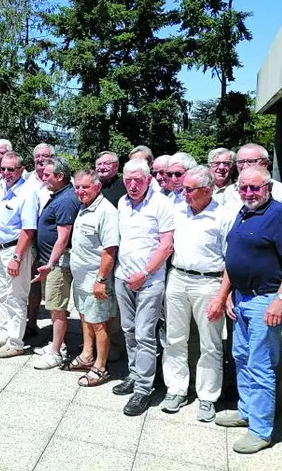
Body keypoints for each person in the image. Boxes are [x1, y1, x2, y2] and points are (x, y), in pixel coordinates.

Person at [207, 166, 282, 454]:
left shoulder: (280, 215)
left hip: (266, 299)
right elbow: (233, 258)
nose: (248, 193)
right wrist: (227, 293)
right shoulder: (244, 211)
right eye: (244, 188)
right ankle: (246, 411)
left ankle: (261, 429)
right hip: (242, 298)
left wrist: (281, 299)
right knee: (241, 356)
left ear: (268, 188)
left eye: (255, 188)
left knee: (261, 364)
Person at [161, 166, 233, 422]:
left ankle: (207, 396)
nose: (183, 194)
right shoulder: (177, 210)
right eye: (183, 189)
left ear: (206, 190)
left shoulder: (223, 216)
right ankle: (176, 389)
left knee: (210, 344)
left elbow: (231, 260)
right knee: (175, 338)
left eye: (188, 190)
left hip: (209, 283)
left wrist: (223, 295)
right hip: (178, 278)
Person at [113, 158, 174, 416]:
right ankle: (135, 373)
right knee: (128, 330)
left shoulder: (161, 203)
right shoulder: (122, 203)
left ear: (149, 179)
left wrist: (145, 272)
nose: (133, 185)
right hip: (123, 277)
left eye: (138, 179)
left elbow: (167, 245)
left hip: (149, 280)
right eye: (128, 180)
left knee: (144, 334)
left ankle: (144, 389)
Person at [0, 151, 39, 358]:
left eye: (11, 169)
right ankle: (4, 334)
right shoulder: (1, 189)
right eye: (3, 168)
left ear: (21, 170)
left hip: (16, 252)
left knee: (16, 297)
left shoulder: (27, 192)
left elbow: (28, 229)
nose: (6, 172)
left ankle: (16, 342)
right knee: (3, 295)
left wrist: (17, 257)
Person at [69, 169, 119, 386]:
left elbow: (110, 250)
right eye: (78, 187)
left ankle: (100, 366)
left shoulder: (106, 211)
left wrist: (100, 280)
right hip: (80, 277)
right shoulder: (84, 208)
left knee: (99, 323)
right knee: (84, 317)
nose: (80, 191)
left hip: (95, 278)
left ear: (97, 187)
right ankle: (87, 354)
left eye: (85, 187)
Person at [31, 157, 79, 370]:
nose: (43, 177)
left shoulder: (66, 200)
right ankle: (56, 343)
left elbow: (63, 236)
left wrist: (51, 263)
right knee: (52, 305)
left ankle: (57, 352)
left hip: (57, 264)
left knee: (57, 307)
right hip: (50, 262)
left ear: (60, 176)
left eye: (48, 175)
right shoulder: (59, 195)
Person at [222, 143, 282, 233]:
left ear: (265, 163)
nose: (245, 166)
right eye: (241, 162)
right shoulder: (229, 192)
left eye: (251, 161)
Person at [26, 142, 54, 335]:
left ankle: (56, 331)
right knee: (31, 283)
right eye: (38, 156)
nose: (41, 159)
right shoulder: (27, 180)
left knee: (53, 288)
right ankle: (31, 323)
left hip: (49, 243)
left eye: (45, 156)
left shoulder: (57, 181)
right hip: (29, 240)